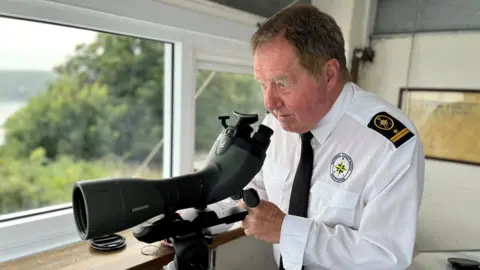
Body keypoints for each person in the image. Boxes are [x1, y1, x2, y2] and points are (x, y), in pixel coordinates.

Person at [164, 4, 425, 270]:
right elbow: (252, 190)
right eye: (263, 84)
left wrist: (287, 231)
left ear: (329, 74)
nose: (269, 102)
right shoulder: (278, 123)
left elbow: (385, 256)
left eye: (282, 83)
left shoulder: (389, 144)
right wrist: (195, 218)